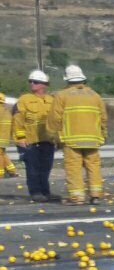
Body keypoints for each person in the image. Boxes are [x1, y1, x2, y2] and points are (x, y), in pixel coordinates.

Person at [48, 65, 106, 204]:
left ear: (67, 79)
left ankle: (77, 196)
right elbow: (103, 118)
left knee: (74, 167)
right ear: (82, 79)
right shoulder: (95, 95)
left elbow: (55, 119)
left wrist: (55, 137)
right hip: (93, 139)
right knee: (93, 166)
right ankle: (96, 194)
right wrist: (103, 134)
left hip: (71, 139)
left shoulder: (62, 95)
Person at [12, 70, 56, 202]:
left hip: (47, 140)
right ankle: (36, 192)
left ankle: (45, 192)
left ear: (44, 84)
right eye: (30, 81)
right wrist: (20, 138)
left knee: (46, 167)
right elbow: (17, 120)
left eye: (35, 82)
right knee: (32, 168)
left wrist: (58, 138)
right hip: (30, 141)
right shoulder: (24, 99)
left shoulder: (51, 100)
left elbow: (56, 120)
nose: (32, 84)